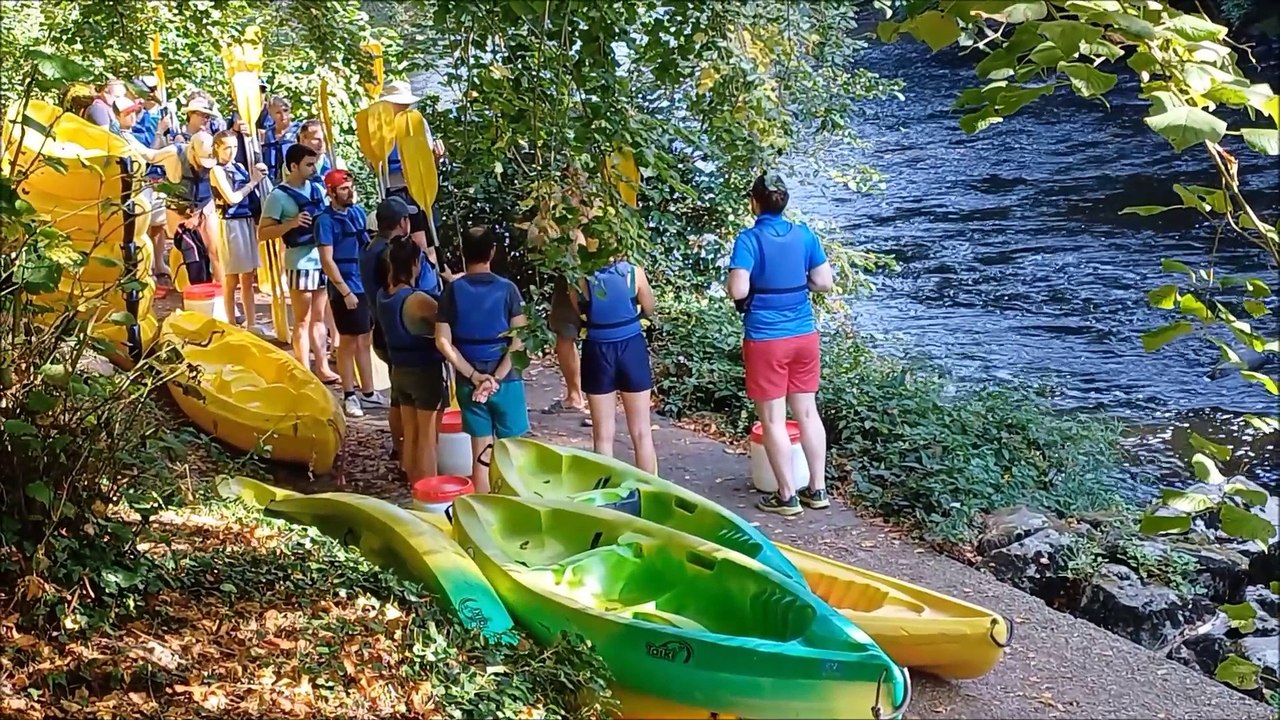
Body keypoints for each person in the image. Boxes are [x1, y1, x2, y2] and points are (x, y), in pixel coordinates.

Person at [727, 172, 835, 516]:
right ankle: (817, 489)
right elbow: (824, 282)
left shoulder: (749, 239)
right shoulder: (805, 234)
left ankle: (787, 496)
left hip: (766, 339)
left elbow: (738, 291)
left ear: (754, 202)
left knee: (773, 419)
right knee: (807, 412)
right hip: (804, 335)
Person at [435, 226, 529, 494]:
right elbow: (519, 338)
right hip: (507, 381)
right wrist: (496, 378)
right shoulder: (508, 289)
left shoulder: (452, 291)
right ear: (493, 252)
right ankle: (517, 507)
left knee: (481, 452)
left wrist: (475, 377)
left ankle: (485, 514)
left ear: (463, 254)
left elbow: (442, 341)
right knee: (512, 452)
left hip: (469, 382)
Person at [258, 143, 339, 383]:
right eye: (309, 164)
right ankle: (303, 371)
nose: (314, 169)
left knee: (319, 317)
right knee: (302, 320)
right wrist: (291, 224)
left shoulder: (315, 189)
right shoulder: (278, 196)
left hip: (321, 259)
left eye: (314, 164)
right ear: (293, 166)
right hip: (299, 262)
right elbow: (263, 233)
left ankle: (322, 367)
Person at [569, 257, 658, 474]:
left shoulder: (579, 278)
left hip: (597, 350)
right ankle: (651, 492)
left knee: (602, 435)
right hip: (631, 349)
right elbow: (650, 308)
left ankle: (606, 497)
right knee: (641, 432)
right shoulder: (633, 272)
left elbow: (577, 314)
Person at [315, 169, 391, 417]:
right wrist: (345, 291)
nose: (350, 192)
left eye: (350, 187)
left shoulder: (357, 213)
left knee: (365, 339)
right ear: (332, 191)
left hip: (363, 285)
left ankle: (368, 392)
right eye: (344, 188)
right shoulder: (325, 220)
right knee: (348, 342)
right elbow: (327, 260)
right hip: (345, 288)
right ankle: (349, 394)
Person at [378, 238, 450, 481]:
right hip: (424, 373)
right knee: (428, 438)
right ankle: (429, 491)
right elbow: (448, 317)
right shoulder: (417, 300)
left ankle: (412, 485)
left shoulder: (383, 296)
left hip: (399, 371)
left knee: (411, 433)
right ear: (414, 264)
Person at [375, 80, 448, 275]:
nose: (403, 107)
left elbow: (428, 159)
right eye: (398, 103)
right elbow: (374, 164)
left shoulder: (417, 122)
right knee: (411, 241)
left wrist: (437, 157)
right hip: (396, 188)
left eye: (406, 103)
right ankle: (412, 280)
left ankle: (434, 279)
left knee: (429, 239)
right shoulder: (380, 127)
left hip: (420, 186)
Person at [209, 130, 268, 331]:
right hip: (230, 224)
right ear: (217, 148)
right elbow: (232, 198)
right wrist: (253, 182)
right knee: (232, 276)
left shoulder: (239, 167)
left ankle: (251, 322)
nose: (232, 152)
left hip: (246, 221)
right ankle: (231, 322)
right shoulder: (216, 170)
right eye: (227, 148)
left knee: (248, 275)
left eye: (234, 147)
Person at [169, 131, 223, 281]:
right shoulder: (177, 157)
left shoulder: (216, 163)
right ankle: (193, 288)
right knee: (187, 247)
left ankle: (222, 294)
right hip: (180, 206)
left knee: (215, 251)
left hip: (206, 206)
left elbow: (215, 194)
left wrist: (198, 215)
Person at [262, 96, 299, 183]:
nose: (283, 116)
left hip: (293, 182)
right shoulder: (268, 134)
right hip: (272, 183)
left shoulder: (298, 131)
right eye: (278, 112)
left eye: (285, 110)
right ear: (271, 114)